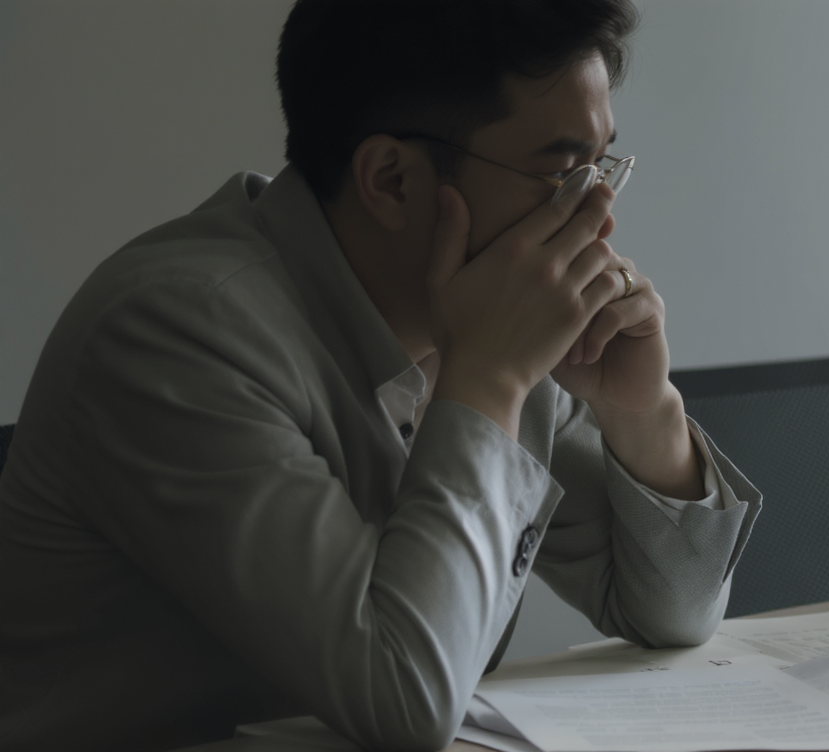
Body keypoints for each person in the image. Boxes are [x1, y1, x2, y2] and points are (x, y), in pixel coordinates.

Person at [0, 1, 761, 750]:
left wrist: (642, 409)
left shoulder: (485, 323)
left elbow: (674, 613)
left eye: (603, 170)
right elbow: (406, 700)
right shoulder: (175, 334)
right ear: (392, 180)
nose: (598, 222)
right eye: (563, 174)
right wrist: (487, 381)